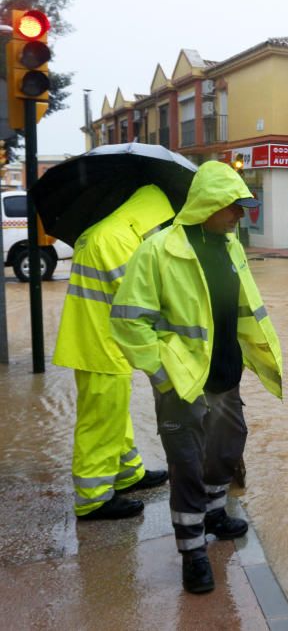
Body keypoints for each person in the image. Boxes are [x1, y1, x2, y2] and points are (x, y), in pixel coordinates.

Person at [110, 161, 283, 594]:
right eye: (234, 207)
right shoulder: (158, 250)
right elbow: (129, 321)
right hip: (181, 383)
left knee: (225, 449)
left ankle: (214, 513)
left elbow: (243, 310)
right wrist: (162, 371)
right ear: (209, 204)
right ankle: (192, 552)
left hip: (226, 374)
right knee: (185, 465)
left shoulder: (232, 246)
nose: (240, 216)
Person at [53, 185, 172, 521]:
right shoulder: (117, 239)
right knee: (99, 421)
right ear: (149, 212)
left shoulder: (106, 231)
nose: (160, 229)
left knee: (113, 413)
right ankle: (93, 498)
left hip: (98, 339)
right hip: (100, 345)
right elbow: (136, 296)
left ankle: (128, 472)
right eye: (160, 221)